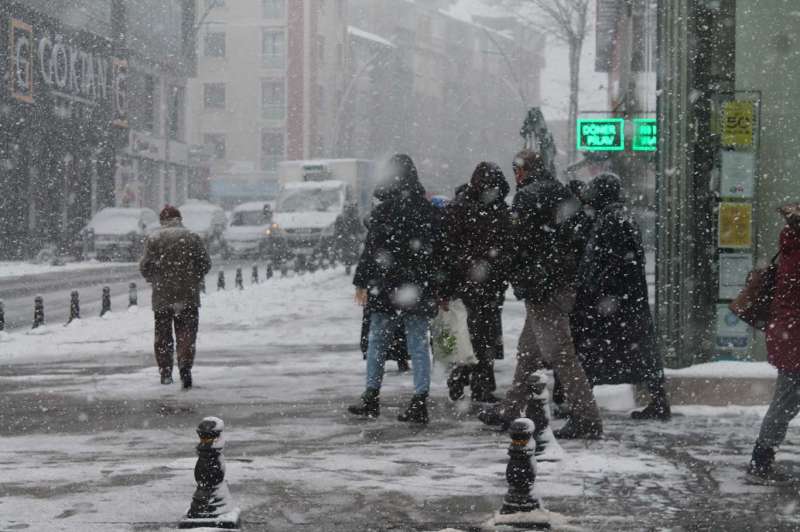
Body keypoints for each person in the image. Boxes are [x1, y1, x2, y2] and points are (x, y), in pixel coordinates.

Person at [478, 150, 603, 440]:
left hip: (542, 288)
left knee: (560, 354)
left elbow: (517, 241)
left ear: (520, 171)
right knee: (529, 352)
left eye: (516, 170)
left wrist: (519, 270)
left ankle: (587, 417)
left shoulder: (527, 196)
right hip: (560, 283)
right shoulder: (560, 191)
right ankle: (511, 409)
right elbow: (579, 234)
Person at [348, 154, 440, 424]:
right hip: (416, 286)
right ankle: (420, 399)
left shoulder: (383, 210)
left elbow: (371, 249)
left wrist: (362, 281)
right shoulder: (425, 209)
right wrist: (437, 283)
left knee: (378, 341)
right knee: (419, 343)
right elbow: (437, 251)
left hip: (385, 285)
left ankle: (371, 396)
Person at [571, 173, 670, 421]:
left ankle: (583, 409)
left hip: (614, 303)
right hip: (623, 302)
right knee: (638, 354)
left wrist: (594, 289)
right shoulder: (618, 216)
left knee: (594, 352)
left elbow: (610, 263)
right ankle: (658, 401)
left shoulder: (612, 219)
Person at [444, 162, 512, 403]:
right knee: (481, 334)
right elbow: (506, 247)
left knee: (467, 333)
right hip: (484, 283)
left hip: (472, 283)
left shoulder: (459, 208)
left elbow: (449, 248)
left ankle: (462, 376)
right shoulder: (498, 210)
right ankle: (479, 382)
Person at [746, 203, 800, 485]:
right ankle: (761, 457)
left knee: (787, 400)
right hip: (794, 336)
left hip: (789, 334)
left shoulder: (791, 247)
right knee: (786, 401)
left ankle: (762, 456)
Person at [140, 205, 211, 389]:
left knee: (163, 336)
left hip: (163, 295)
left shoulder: (154, 238)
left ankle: (165, 372)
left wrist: (156, 279)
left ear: (162, 221)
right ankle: (185, 366)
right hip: (188, 295)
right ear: (179, 219)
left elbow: (145, 267)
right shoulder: (192, 237)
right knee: (186, 334)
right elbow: (205, 263)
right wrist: (193, 277)